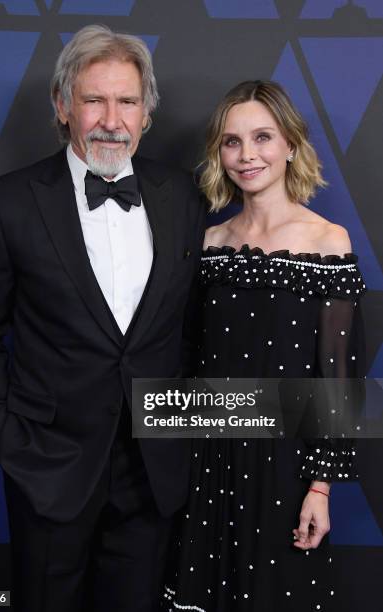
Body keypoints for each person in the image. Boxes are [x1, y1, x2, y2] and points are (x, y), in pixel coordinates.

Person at [0, 25, 205, 612]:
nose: (111, 118)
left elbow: (195, 324)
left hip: (153, 469)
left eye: (127, 101)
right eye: (94, 99)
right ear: (63, 107)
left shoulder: (186, 197)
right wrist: (4, 438)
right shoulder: (10, 201)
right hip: (47, 464)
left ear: (146, 114)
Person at [164, 80, 366, 611]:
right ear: (218, 152)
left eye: (262, 137)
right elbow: (187, 358)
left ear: (290, 144)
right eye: (232, 141)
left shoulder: (329, 240)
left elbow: (338, 381)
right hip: (206, 457)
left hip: (286, 462)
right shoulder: (209, 242)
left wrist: (321, 487)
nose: (247, 155)